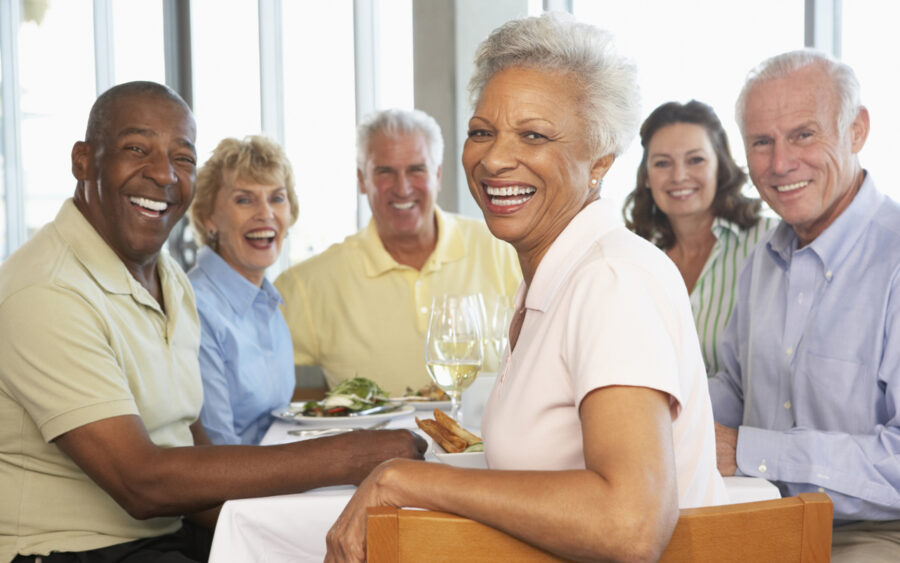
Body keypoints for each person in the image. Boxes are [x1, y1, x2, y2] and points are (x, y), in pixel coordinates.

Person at [325, 13, 726, 562]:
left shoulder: (611, 280)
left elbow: (630, 524)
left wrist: (404, 480)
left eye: (533, 135)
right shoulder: (557, 275)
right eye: (481, 131)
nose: (492, 159)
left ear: (600, 163)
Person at [0, 81, 425, 563]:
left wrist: (316, 515)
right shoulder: (47, 289)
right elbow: (140, 482)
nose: (163, 173)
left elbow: (197, 455)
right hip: (74, 552)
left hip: (171, 535)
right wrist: (349, 457)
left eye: (182, 158)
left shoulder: (169, 280)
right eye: (137, 148)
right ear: (82, 161)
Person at [709, 50, 900, 561]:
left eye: (803, 134)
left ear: (856, 130)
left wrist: (750, 453)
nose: (779, 164)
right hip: (757, 517)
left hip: (871, 534)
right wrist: (644, 408)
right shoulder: (764, 258)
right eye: (761, 143)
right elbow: (733, 387)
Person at [274, 108, 521, 397]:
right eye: (384, 172)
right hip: (368, 443)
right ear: (362, 180)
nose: (402, 188)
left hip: (488, 442)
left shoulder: (504, 249)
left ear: (437, 176)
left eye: (416, 169)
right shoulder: (306, 286)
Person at [623, 100, 777, 375]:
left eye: (696, 160)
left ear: (721, 166)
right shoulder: (634, 259)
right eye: (662, 163)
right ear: (646, 176)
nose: (679, 176)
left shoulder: (770, 244)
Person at [187, 135, 298, 445]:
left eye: (277, 198)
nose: (266, 214)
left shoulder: (269, 304)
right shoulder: (196, 309)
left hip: (272, 480)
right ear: (209, 218)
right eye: (244, 200)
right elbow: (218, 450)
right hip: (236, 490)